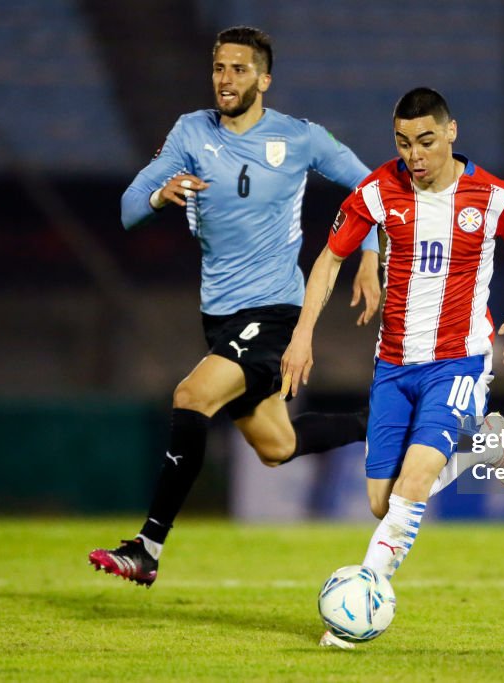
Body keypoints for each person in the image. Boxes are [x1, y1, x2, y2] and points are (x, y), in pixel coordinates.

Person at [89, 26, 383, 586]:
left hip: (274, 312)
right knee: (278, 446)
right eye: (220, 68)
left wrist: (369, 254)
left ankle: (147, 547)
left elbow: (369, 187)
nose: (226, 79)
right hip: (220, 317)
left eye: (239, 69)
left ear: (264, 79)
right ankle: (391, 422)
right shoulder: (190, 132)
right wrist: (160, 194)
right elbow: (129, 208)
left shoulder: (300, 138)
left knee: (191, 396)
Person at [280, 87, 504, 648]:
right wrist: (302, 334)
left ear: (452, 132)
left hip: (460, 362)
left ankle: (361, 601)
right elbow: (330, 258)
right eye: (403, 143)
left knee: (416, 479)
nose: (415, 155)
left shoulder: (496, 197)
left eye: (426, 141)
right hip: (394, 366)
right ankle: (483, 444)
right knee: (385, 504)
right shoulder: (378, 192)